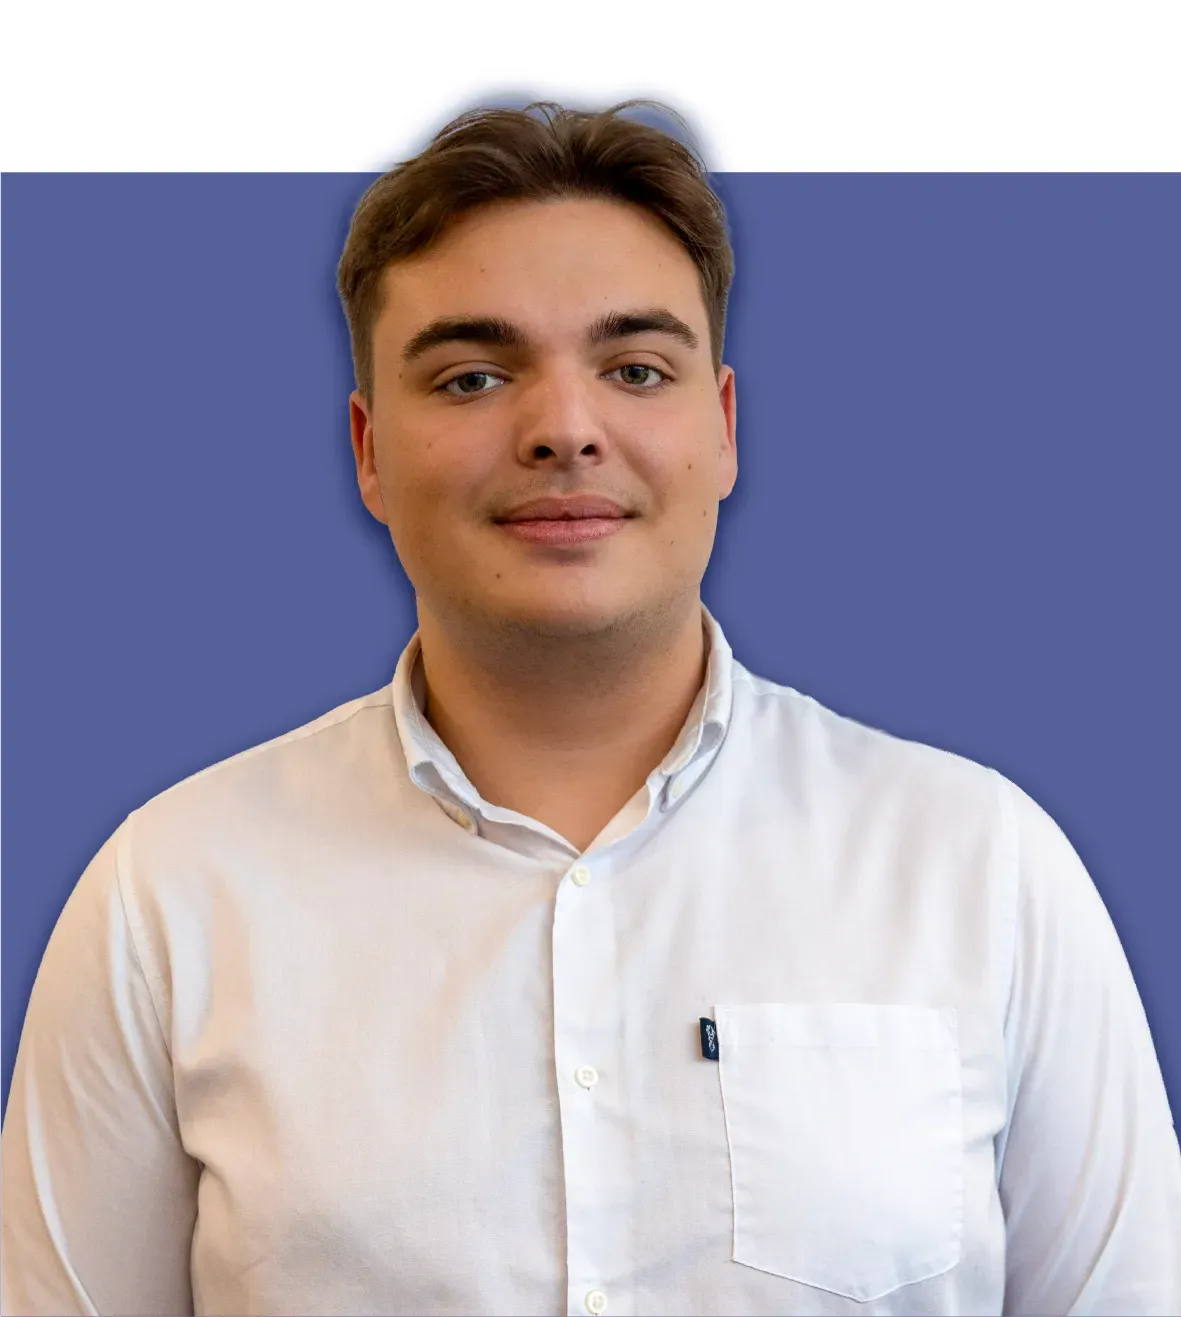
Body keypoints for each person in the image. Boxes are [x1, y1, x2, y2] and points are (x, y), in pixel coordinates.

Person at [1, 98, 1178, 1317]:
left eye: (632, 369)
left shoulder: (979, 867)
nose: (563, 428)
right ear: (365, 450)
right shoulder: (169, 895)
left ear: (721, 428)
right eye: (471, 375)